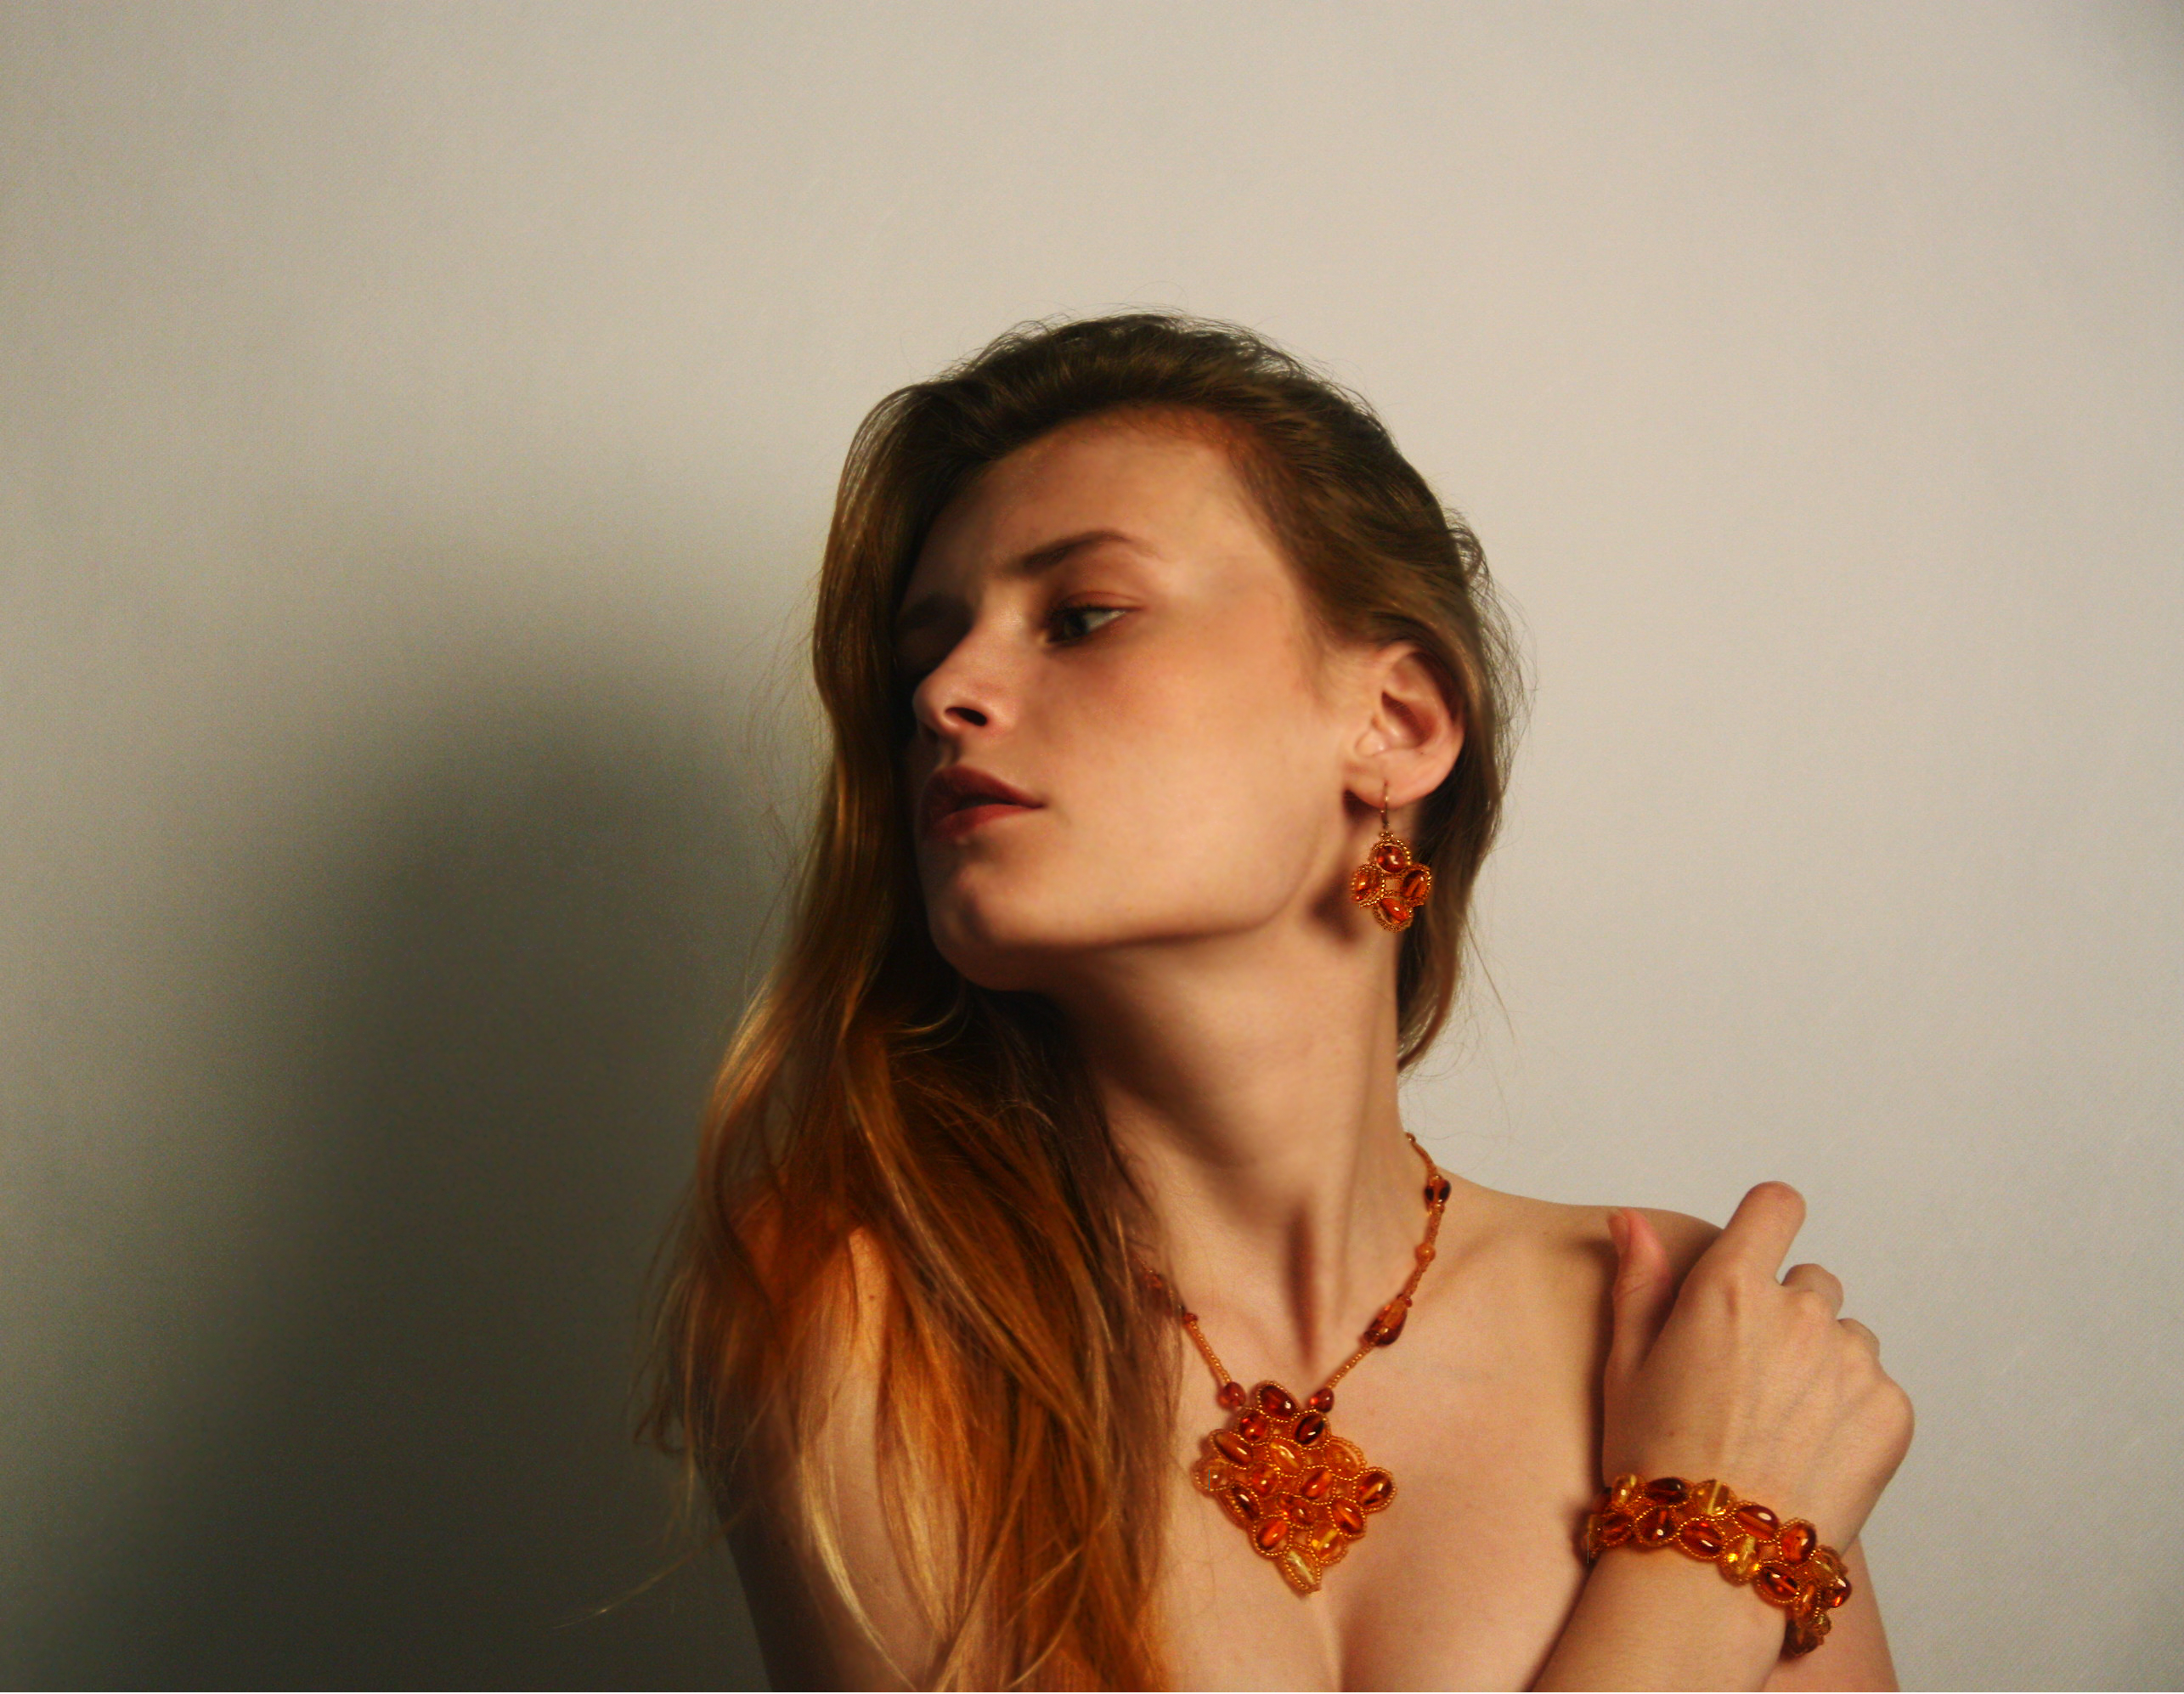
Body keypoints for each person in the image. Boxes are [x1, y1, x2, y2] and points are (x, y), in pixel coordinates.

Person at [641, 313, 1914, 1690]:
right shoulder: (867, 1319)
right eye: (918, 664)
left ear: (1397, 723)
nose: (946, 692)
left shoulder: (1673, 1316)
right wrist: (1707, 1551)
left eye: (1081, 616)